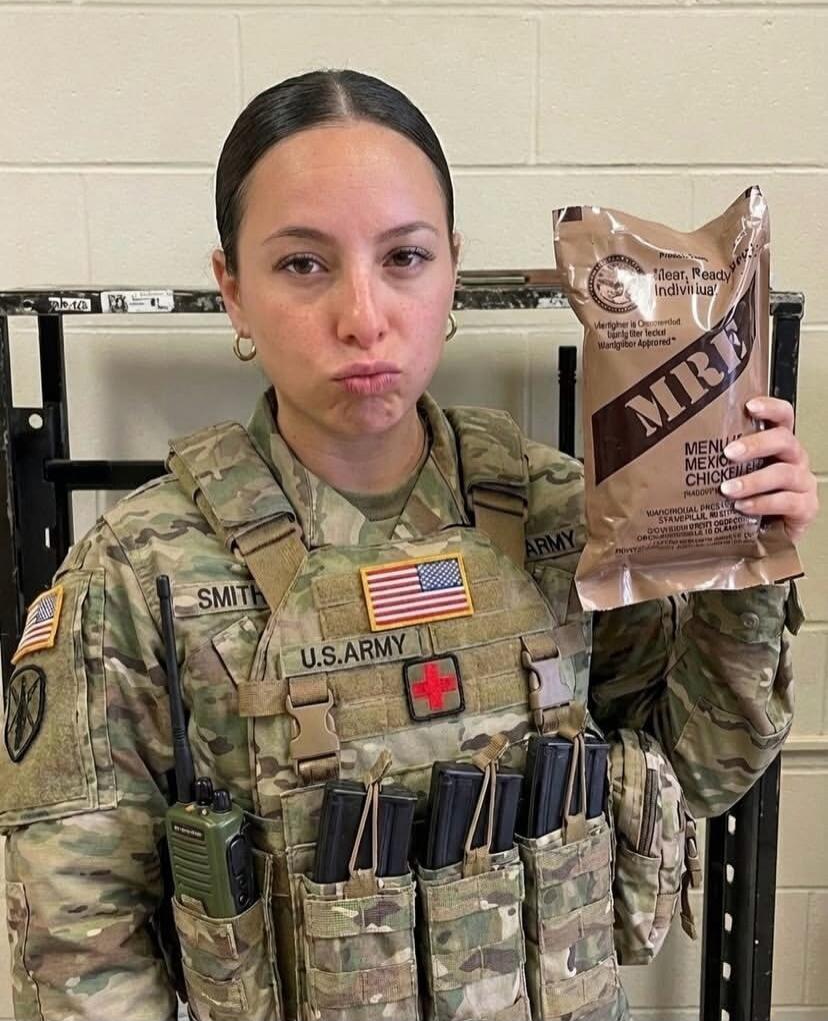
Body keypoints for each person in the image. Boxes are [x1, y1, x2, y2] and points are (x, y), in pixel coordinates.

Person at [0, 70, 817, 1021]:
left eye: (405, 257)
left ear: (453, 268)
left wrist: (745, 564)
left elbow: (701, 769)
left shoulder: (562, 513)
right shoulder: (139, 572)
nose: (364, 316)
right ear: (232, 288)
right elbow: (75, 947)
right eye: (303, 264)